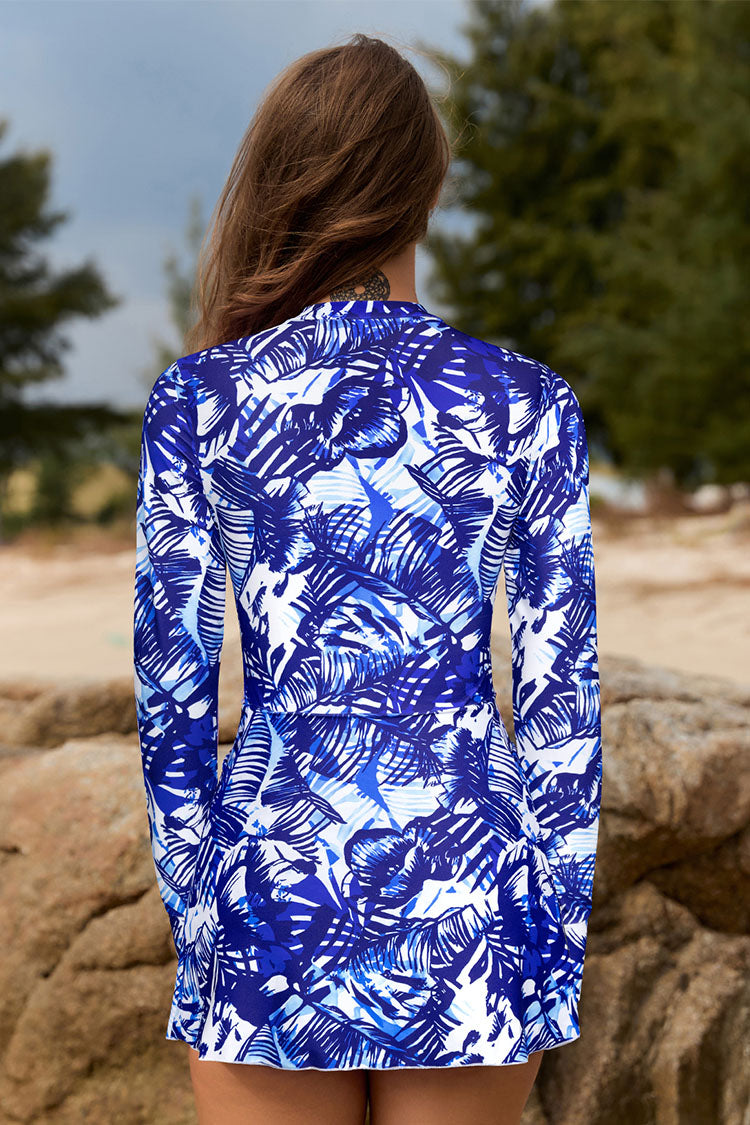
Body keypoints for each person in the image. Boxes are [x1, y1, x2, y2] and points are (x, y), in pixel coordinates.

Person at [133, 32, 602, 1125]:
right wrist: (552, 939)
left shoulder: (200, 402)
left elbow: (172, 703)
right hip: (472, 900)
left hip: (271, 892)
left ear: (281, 180)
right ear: (428, 190)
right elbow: (561, 711)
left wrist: (202, 927)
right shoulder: (526, 402)